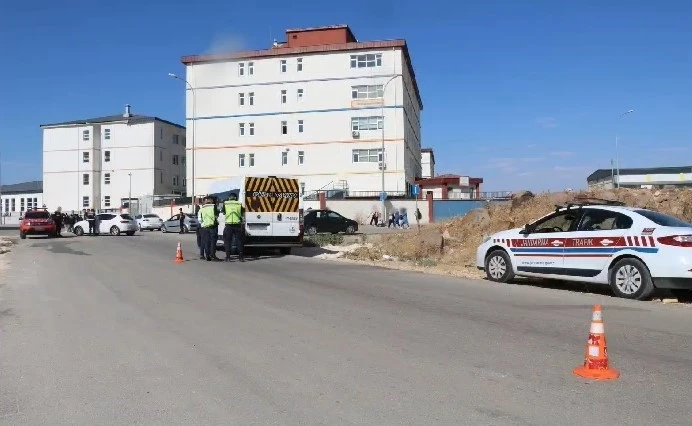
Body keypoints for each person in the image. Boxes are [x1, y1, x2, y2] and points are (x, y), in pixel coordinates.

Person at [222, 192, 245, 262]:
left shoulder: (225, 204)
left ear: (229, 197)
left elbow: (223, 213)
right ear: (236, 198)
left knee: (228, 241)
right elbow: (242, 213)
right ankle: (241, 257)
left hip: (228, 225)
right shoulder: (239, 204)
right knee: (239, 241)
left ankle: (228, 257)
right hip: (237, 225)